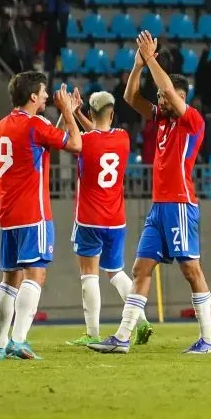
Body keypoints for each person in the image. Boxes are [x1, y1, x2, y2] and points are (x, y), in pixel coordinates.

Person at [89, 31, 211, 354]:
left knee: (191, 270)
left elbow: (169, 92)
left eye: (166, 97)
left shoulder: (192, 121)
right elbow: (131, 98)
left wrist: (152, 59)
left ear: (182, 99)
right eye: (160, 98)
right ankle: (122, 337)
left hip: (181, 205)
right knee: (140, 269)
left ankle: (208, 340)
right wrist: (137, 65)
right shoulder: (161, 120)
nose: (160, 101)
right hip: (159, 207)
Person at [0, 72, 82, 360]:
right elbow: (76, 144)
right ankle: (19, 340)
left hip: (9, 214)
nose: (48, 96)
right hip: (34, 212)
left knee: (9, 279)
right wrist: (69, 113)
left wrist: (11, 172)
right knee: (35, 274)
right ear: (33, 96)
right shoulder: (36, 124)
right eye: (44, 92)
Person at [64, 90, 149, 347]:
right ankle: (141, 320)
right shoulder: (122, 139)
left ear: (90, 113)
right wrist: (80, 114)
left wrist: (70, 112)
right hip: (116, 219)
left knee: (89, 275)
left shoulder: (85, 142)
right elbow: (98, 134)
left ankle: (92, 333)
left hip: (89, 218)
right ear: (112, 114)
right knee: (115, 272)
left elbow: (82, 139)